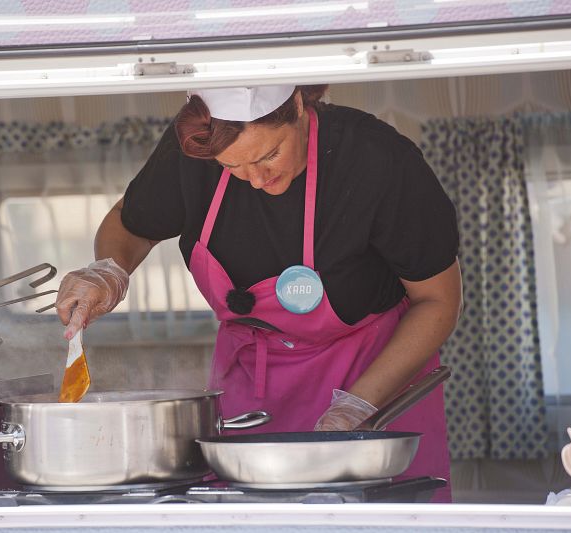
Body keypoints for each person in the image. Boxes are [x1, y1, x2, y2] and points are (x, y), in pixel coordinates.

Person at [55, 84, 462, 501]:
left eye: (269, 155)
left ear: (300, 106)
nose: (256, 179)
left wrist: (358, 405)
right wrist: (107, 270)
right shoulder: (196, 150)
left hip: (370, 370)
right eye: (233, 167)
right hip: (251, 385)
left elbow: (438, 301)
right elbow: (130, 222)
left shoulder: (377, 159)